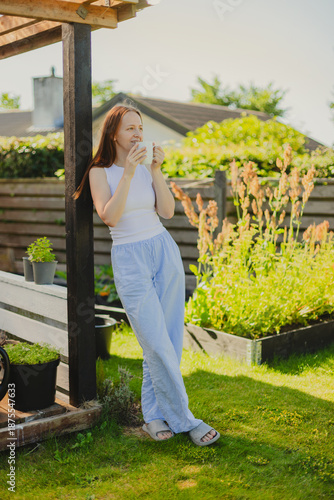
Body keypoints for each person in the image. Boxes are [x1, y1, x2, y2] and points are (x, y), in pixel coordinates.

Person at [74, 103, 220, 446]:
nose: (138, 133)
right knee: (154, 340)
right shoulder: (100, 171)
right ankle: (187, 420)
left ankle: (153, 417)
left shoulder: (146, 168)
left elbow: (167, 212)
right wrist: (127, 173)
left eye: (140, 127)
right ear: (113, 133)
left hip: (163, 250)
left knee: (167, 340)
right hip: (130, 257)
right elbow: (109, 216)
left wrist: (154, 170)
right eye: (130, 128)